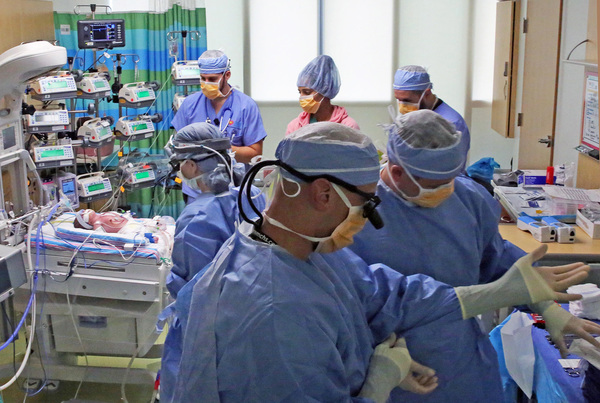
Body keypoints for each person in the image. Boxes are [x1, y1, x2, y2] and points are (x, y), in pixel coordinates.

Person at [171, 122, 598, 402]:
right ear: (323, 194)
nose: (367, 218)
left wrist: (496, 293)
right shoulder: (274, 309)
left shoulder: (306, 251)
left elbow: (388, 293)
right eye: (366, 205)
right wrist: (375, 386)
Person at [349, 109, 528, 402]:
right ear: (397, 172)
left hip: (459, 359)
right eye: (434, 185)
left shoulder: (467, 198)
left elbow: (493, 258)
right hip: (389, 363)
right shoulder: (355, 213)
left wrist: (541, 298)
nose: (446, 191)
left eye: (450, 179)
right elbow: (354, 295)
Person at [159, 122, 266, 402]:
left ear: (192, 165)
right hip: (252, 317)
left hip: (208, 327)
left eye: (180, 163)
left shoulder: (198, 217)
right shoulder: (253, 196)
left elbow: (190, 291)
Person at [171, 50, 268, 203]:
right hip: (197, 192)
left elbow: (255, 154)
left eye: (212, 79)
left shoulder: (245, 106)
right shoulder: (190, 105)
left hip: (234, 191)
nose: (206, 83)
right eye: (203, 78)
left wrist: (219, 149)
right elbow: (179, 147)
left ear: (227, 75)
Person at [393, 65, 470, 158]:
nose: (402, 106)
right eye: (398, 99)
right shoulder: (415, 118)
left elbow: (449, 163)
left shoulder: (452, 123)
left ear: (427, 93)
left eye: (407, 100)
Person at [286, 55, 359, 135]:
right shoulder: (295, 127)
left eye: (307, 92)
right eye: (300, 92)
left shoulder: (348, 127)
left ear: (324, 90)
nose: (301, 97)